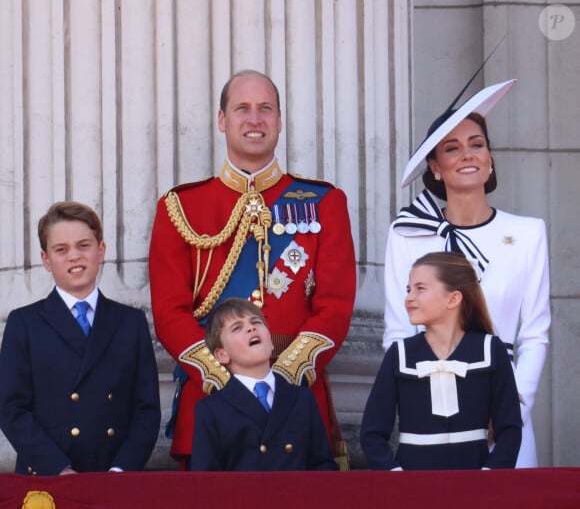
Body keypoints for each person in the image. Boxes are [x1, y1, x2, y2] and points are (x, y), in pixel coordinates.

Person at [149, 69, 356, 469]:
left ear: (279, 121)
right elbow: (169, 312)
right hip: (212, 402)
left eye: (266, 109)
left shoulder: (324, 201)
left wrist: (282, 379)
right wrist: (228, 380)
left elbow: (335, 305)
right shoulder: (180, 207)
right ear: (222, 120)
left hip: (296, 402)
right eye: (242, 108)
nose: (254, 119)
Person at [383, 80, 550, 468]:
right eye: (452, 148)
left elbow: (535, 336)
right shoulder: (408, 234)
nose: (467, 155)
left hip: (505, 411)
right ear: (435, 168)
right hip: (431, 410)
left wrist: (511, 413)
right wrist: (419, 404)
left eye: (477, 143)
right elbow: (397, 333)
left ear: (490, 157)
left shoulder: (528, 233)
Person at [0, 202, 161, 475]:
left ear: (101, 251)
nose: (74, 256)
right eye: (61, 249)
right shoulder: (24, 323)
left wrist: (121, 471)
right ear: (46, 260)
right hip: (47, 475)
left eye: (84, 245)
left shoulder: (130, 322)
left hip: (113, 476)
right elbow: (11, 408)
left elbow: (146, 409)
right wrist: (58, 469)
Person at [362, 251, 522, 470]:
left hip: (476, 488)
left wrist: (490, 476)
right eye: (409, 290)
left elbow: (510, 429)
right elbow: (372, 432)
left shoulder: (491, 350)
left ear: (453, 298)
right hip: (413, 488)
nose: (409, 297)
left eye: (420, 289)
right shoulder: (399, 354)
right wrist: (394, 476)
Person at [190, 297, 338, 471]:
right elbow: (206, 481)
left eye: (256, 322)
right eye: (237, 328)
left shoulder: (302, 399)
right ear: (222, 355)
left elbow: (322, 466)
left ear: (271, 341)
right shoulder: (212, 409)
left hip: (298, 497)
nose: (251, 328)